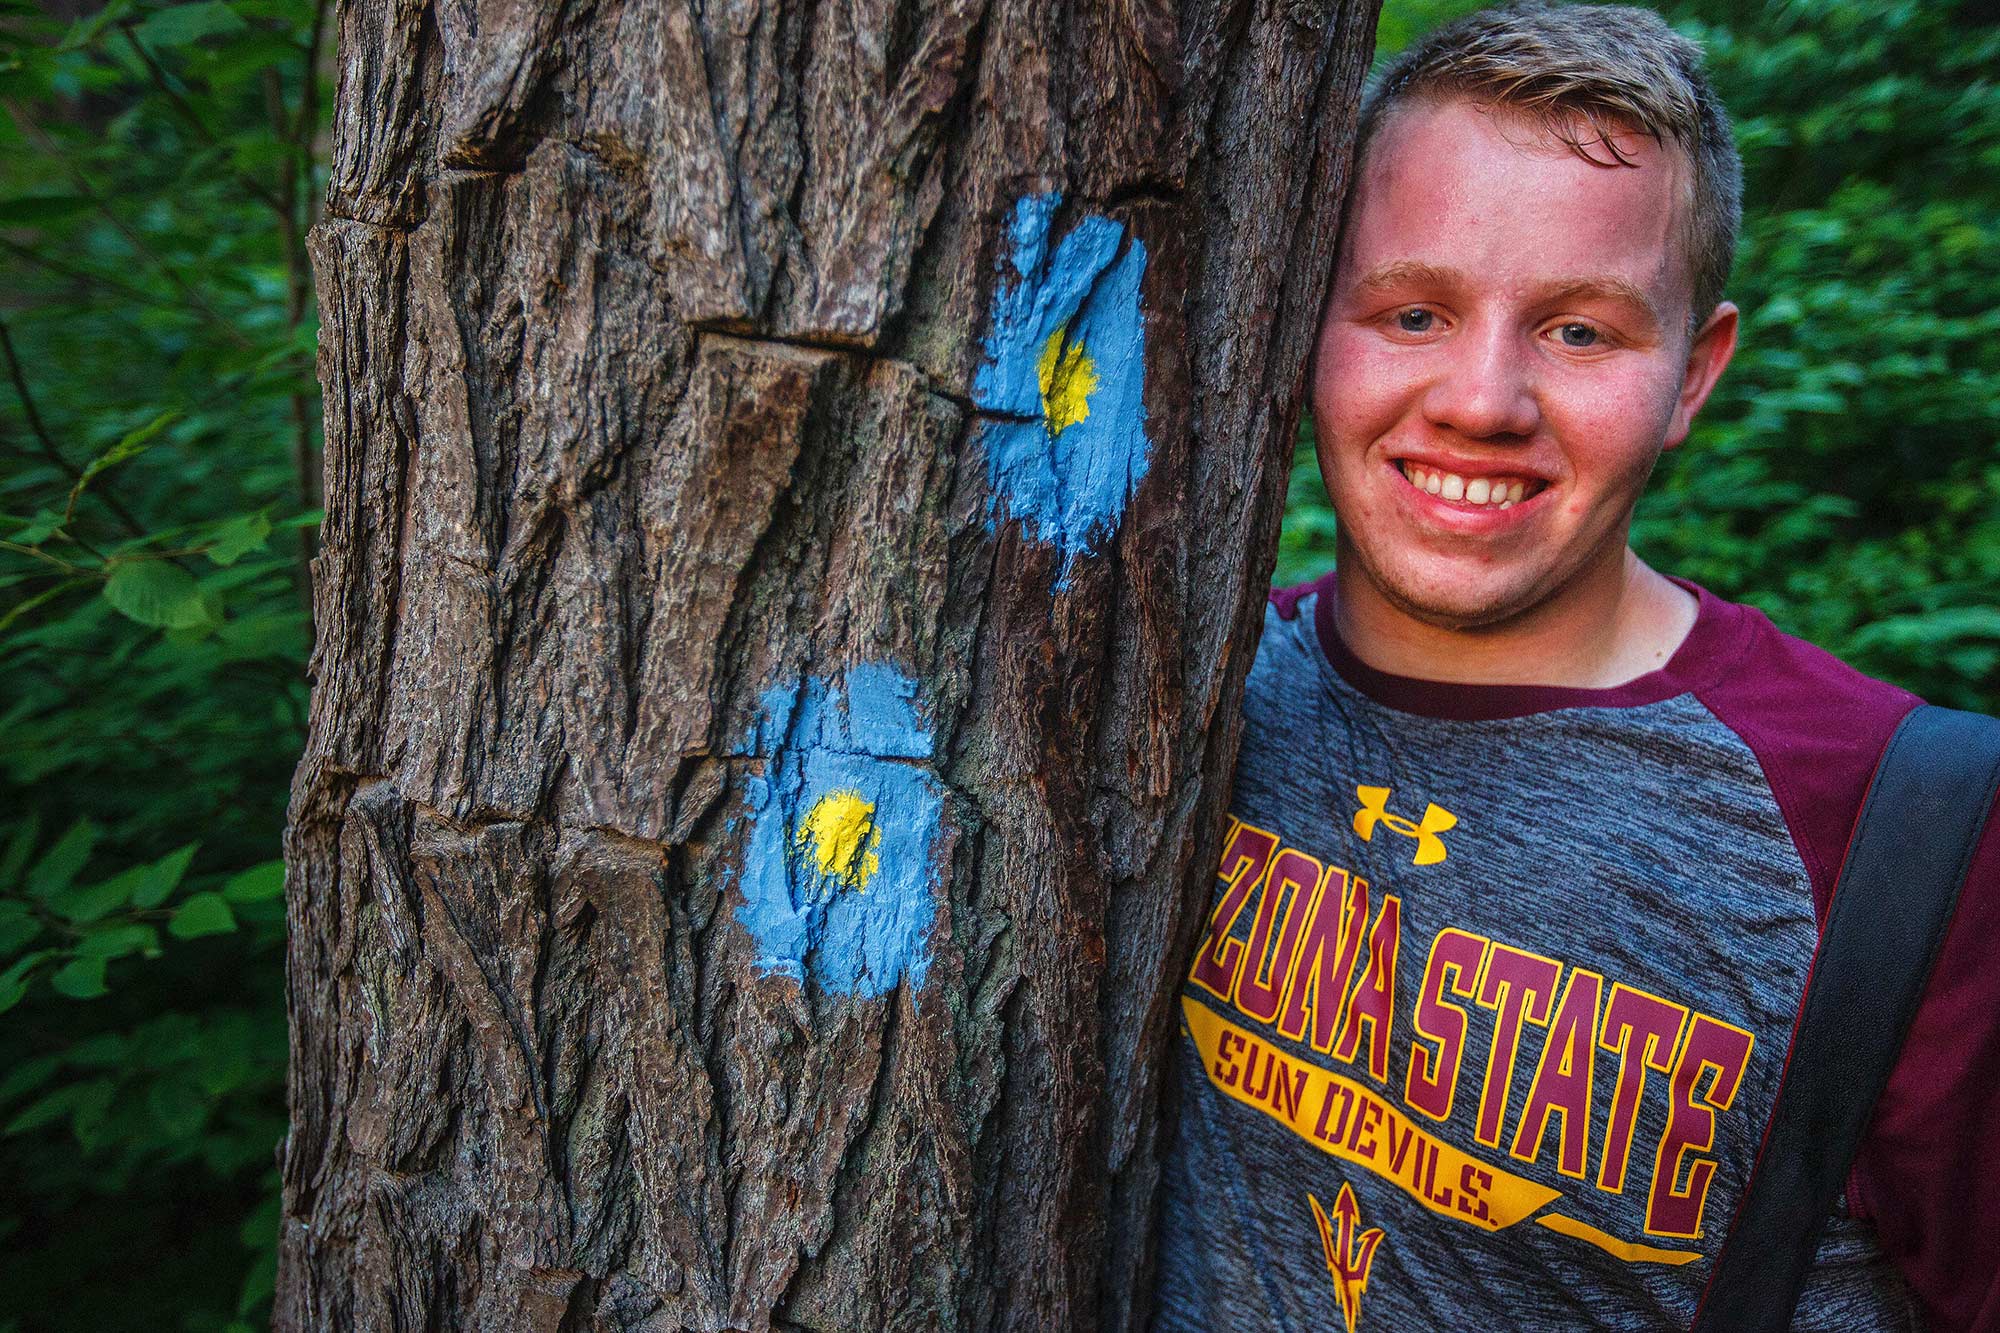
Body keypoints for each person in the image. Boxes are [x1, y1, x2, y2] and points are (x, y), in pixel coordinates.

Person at [1151, 4, 2000, 1330]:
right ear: (1305, 321)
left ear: (1694, 373)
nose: (1483, 400)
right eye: (1415, 310)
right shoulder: (1185, 703)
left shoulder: (1911, 834)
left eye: (1582, 331)